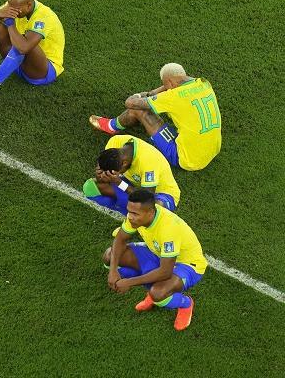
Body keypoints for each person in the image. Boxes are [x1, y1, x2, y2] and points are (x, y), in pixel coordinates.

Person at [102, 189, 207, 331]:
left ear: (150, 212)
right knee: (110, 256)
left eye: (135, 214)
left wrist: (128, 282)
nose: (130, 217)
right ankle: (150, 288)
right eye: (129, 211)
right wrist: (113, 271)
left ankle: (185, 304)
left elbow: (165, 272)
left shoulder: (168, 229)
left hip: (188, 264)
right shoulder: (135, 217)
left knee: (158, 293)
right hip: (159, 254)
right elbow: (120, 239)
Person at [89, 63, 221, 171]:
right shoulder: (203, 84)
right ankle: (125, 123)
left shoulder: (173, 97)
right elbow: (174, 82)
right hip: (213, 149)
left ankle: (111, 126)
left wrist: (140, 95)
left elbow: (130, 103)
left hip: (188, 159)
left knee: (138, 110)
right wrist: (153, 93)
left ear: (169, 82)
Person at [83, 134, 181, 215]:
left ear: (124, 163)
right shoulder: (114, 143)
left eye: (117, 172)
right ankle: (129, 213)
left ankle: (133, 217)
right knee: (91, 187)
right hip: (133, 184)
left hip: (160, 194)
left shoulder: (148, 162)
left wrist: (119, 182)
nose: (116, 174)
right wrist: (100, 174)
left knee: (151, 208)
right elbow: (103, 170)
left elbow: (146, 197)